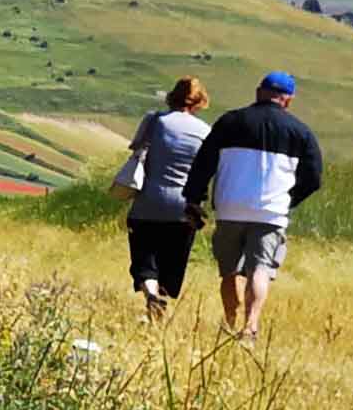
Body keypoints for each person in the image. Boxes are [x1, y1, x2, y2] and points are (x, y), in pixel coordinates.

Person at [185, 71, 323, 337]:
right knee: (260, 269)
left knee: (228, 271)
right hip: (271, 212)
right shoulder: (301, 132)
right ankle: (250, 326)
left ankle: (229, 321)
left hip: (229, 207)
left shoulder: (230, 122)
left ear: (259, 91)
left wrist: (193, 199)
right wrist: (288, 199)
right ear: (288, 100)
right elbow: (314, 178)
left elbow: (203, 164)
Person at [113, 76, 213, 322]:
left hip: (148, 202)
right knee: (172, 263)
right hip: (184, 208)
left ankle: (150, 296)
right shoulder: (205, 131)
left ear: (172, 96)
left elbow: (136, 150)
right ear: (200, 102)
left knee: (144, 259)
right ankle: (159, 307)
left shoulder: (154, 121)